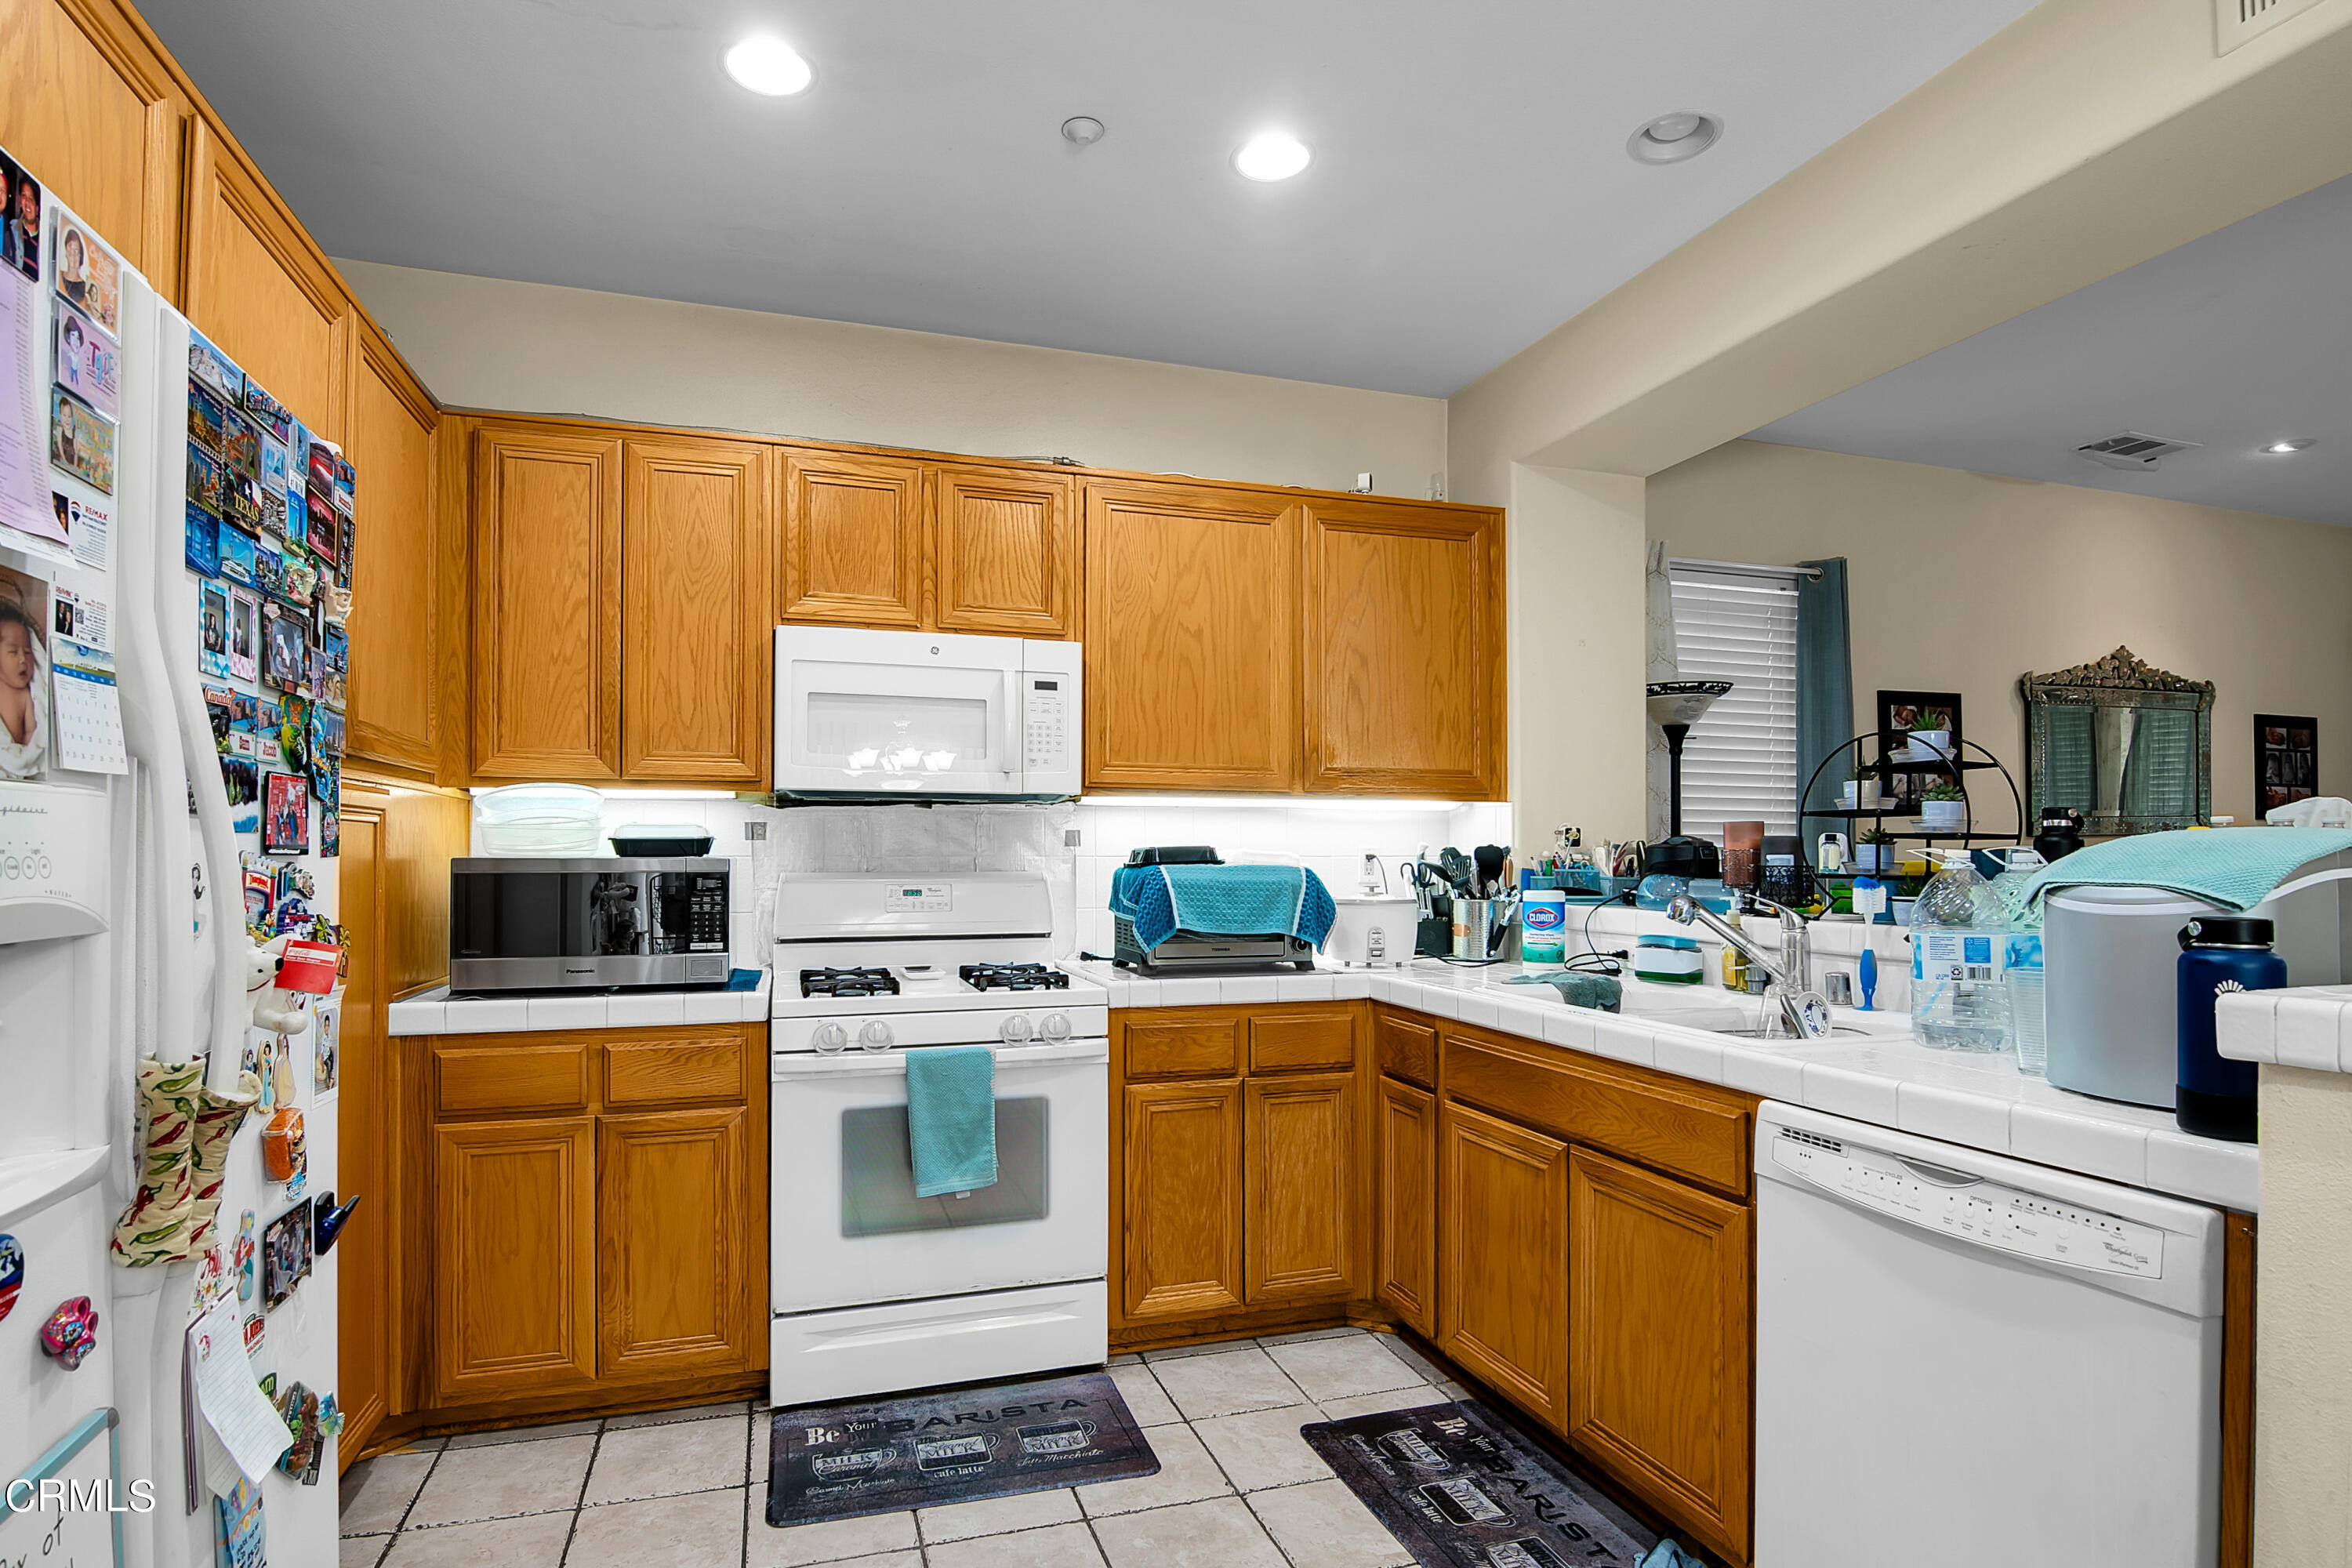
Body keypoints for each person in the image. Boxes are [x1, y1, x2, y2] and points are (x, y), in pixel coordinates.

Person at [0, 596, 47, 779]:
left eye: (28, 652)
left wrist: (26, 761)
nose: (23, 659)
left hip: (14, 767)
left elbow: (32, 732)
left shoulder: (27, 695)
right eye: (13, 652)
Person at [9, 170, 38, 281]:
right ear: (20, 202)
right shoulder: (12, 229)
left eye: (31, 198)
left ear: (37, 208)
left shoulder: (45, 239)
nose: (27, 202)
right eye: (24, 196)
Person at [57, 229, 86, 307]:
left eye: (76, 251)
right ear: (66, 253)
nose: (73, 254)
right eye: (70, 249)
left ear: (81, 255)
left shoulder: (85, 288)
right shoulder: (58, 276)